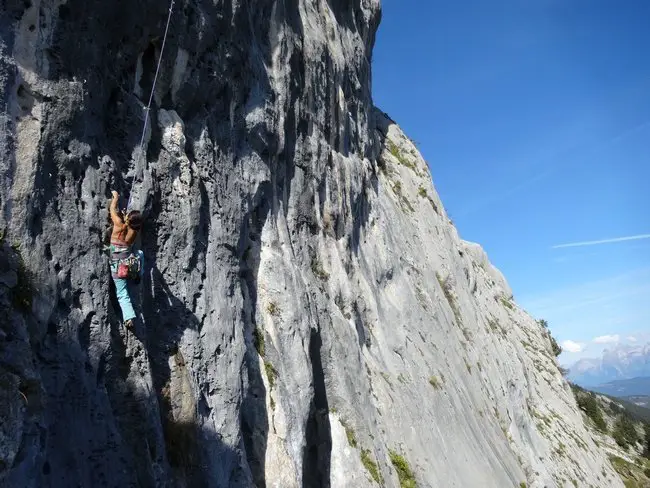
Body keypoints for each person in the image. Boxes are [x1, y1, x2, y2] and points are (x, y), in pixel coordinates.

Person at [108, 191, 144, 329]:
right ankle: (138, 274)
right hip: (127, 264)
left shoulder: (117, 224)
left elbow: (112, 209)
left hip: (117, 265)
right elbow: (131, 225)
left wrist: (116, 197)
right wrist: (127, 218)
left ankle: (128, 317)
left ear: (127, 218)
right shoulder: (134, 232)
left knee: (122, 293)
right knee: (139, 253)